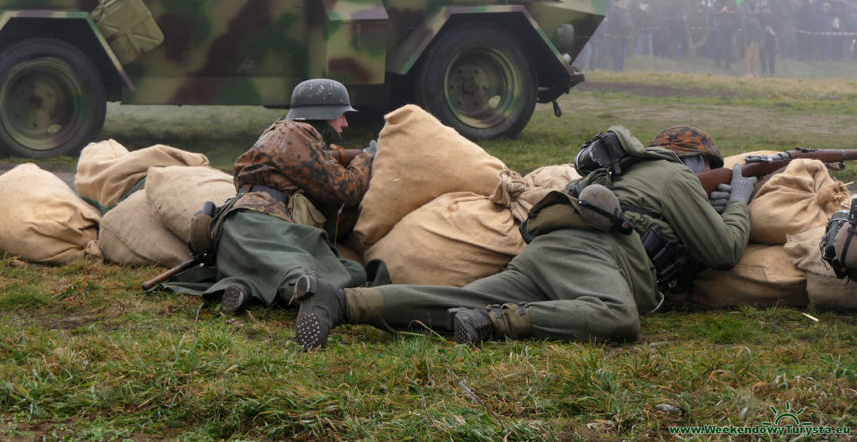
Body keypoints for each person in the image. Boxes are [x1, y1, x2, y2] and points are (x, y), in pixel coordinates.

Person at [294, 125, 754, 350]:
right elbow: (725, 250)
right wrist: (741, 199)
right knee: (617, 318)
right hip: (594, 257)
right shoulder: (674, 177)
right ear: (698, 161)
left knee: (451, 298)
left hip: (549, 250)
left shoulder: (624, 172)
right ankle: (497, 323)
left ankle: (342, 302)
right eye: (711, 168)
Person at [161, 78, 384, 313]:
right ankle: (291, 294)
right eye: (341, 115)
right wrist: (367, 158)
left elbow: (323, 162)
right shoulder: (294, 133)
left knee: (351, 271)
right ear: (323, 113)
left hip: (238, 230)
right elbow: (347, 190)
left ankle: (243, 289)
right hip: (262, 226)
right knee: (302, 277)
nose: (346, 123)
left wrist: (351, 156)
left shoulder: (282, 137)